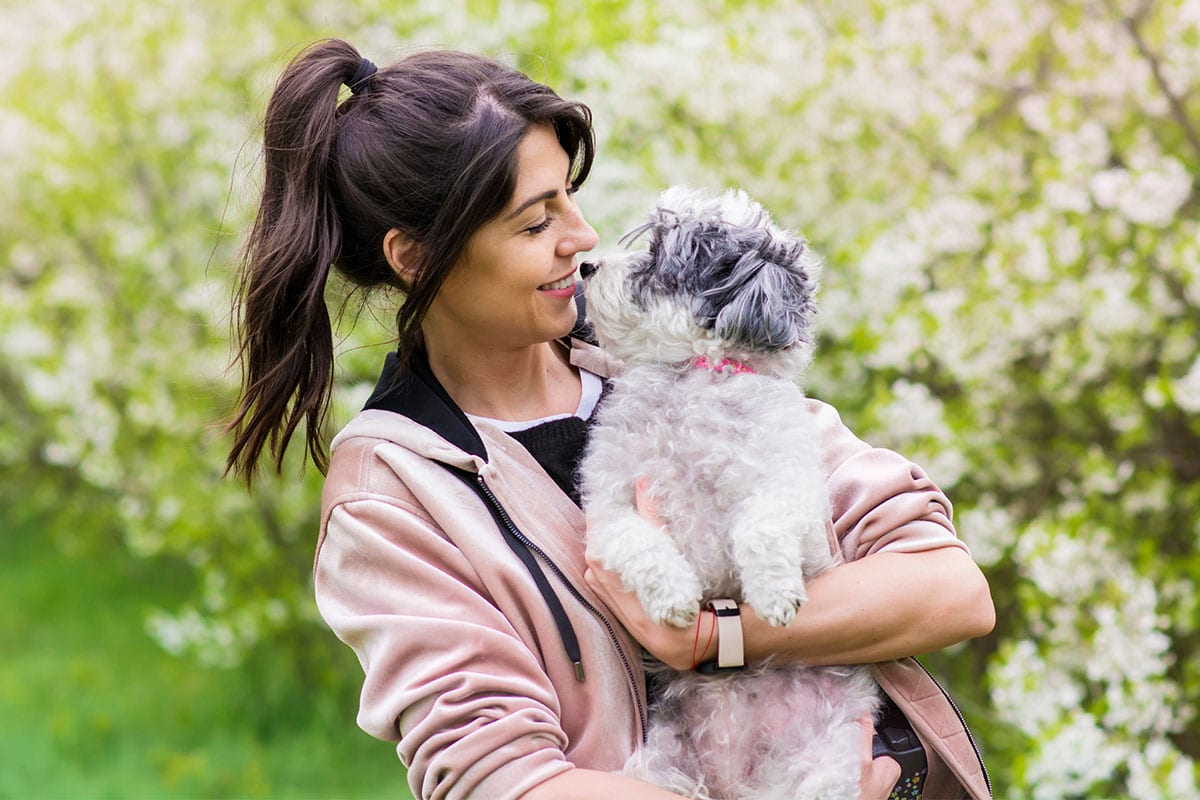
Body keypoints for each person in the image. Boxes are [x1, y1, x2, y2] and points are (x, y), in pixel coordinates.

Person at [225, 38, 996, 800]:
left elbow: (949, 589)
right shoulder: (394, 497)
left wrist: (717, 636)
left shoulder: (672, 343)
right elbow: (506, 780)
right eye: (534, 224)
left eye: (569, 193)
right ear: (416, 258)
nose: (583, 237)